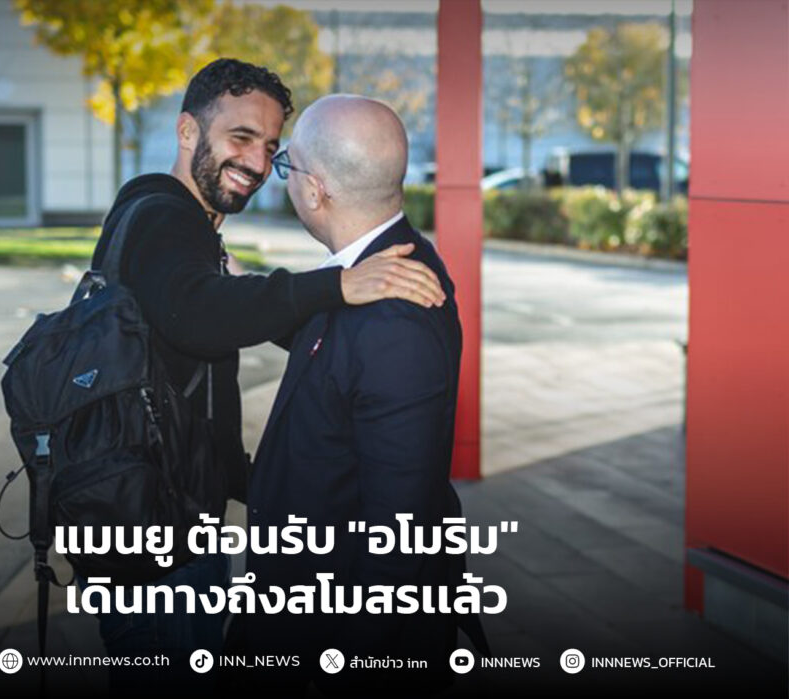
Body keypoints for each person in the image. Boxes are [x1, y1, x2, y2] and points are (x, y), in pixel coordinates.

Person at [83, 60, 446, 694]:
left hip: (167, 528)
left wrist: (275, 487)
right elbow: (198, 314)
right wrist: (337, 285)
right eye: (241, 137)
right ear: (187, 132)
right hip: (155, 552)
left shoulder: (177, 223)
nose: (257, 162)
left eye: (272, 147)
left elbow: (207, 347)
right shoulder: (164, 217)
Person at [237, 94, 489, 696]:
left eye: (287, 165)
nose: (282, 178)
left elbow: (399, 532)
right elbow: (334, 350)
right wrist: (235, 290)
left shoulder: (396, 310)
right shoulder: (375, 268)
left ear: (315, 190)